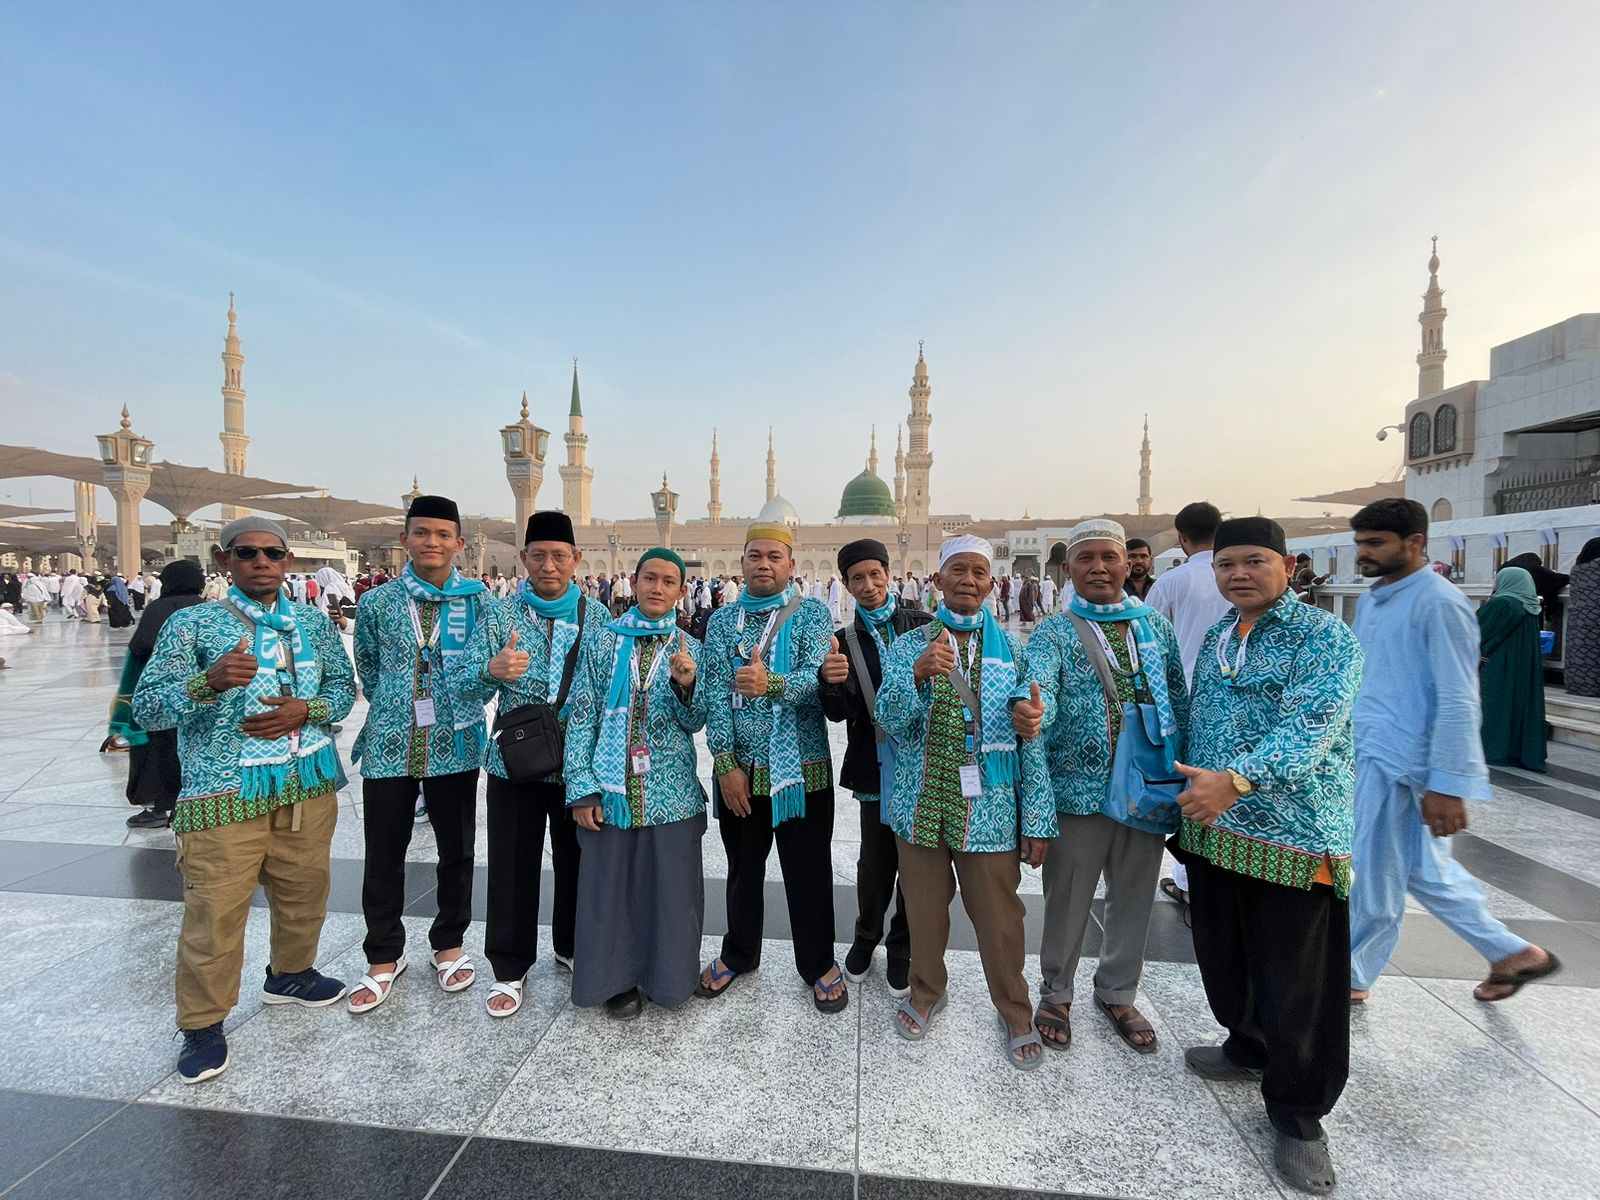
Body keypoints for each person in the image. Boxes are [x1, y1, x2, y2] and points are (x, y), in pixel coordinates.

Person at [1170, 517, 1361, 1196]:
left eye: (1253, 561)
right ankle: (1247, 1044)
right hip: (1215, 829)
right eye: (1226, 565)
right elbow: (1198, 718)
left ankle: (1300, 1116)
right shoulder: (1223, 634)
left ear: (1288, 564)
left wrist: (1238, 780)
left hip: (1293, 835)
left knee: (1298, 982)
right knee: (1226, 953)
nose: (1238, 575)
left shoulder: (1324, 638)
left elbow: (1309, 727)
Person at [132, 516, 355, 1085]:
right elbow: (148, 708)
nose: (261, 563)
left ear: (287, 562)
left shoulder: (311, 621)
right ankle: (203, 1023)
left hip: (305, 782)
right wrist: (207, 682)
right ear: (223, 559)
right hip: (224, 791)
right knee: (215, 911)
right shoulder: (193, 624)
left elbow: (341, 689)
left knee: (304, 890)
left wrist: (307, 710)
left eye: (273, 554)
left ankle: (291, 974)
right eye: (248, 552)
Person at [1346, 499, 1559, 1010]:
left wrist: (1447, 783)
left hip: (1407, 761)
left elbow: (1460, 696)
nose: (1364, 554)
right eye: (1360, 544)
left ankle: (1352, 973)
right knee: (1423, 870)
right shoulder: (1375, 600)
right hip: (1373, 747)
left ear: (1416, 542)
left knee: (1373, 869)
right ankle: (1512, 953)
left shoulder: (1440, 603)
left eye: (1376, 543)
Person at [876, 534, 1055, 1068]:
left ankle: (1015, 1009)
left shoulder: (1014, 651)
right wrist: (916, 674)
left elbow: (1032, 737)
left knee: (999, 917)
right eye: (959, 570)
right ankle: (926, 991)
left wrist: (1037, 816)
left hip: (990, 810)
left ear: (991, 582)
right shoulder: (909, 646)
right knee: (924, 911)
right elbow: (888, 719)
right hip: (921, 803)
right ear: (938, 580)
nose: (969, 581)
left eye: (979, 572)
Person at [1024, 520, 1188, 1055]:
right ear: (1068, 569)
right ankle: (1056, 993)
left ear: (1128, 564)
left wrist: (1186, 776)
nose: (1098, 568)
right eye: (1086, 558)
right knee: (1069, 897)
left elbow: (1179, 699)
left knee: (1135, 895)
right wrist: (1035, 713)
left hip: (1147, 787)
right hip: (1080, 792)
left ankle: (1118, 991)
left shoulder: (1154, 628)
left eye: (1108, 557)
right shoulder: (1055, 632)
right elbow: (1041, 689)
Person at [450, 510, 609, 1018]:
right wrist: (491, 669)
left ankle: (572, 945)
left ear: (576, 559)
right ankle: (509, 965)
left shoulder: (597, 617)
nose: (548, 566)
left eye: (559, 556)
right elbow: (462, 683)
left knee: (578, 861)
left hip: (576, 764)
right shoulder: (500, 615)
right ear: (523, 559)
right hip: (513, 763)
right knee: (513, 864)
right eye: (538, 556)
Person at [347, 496, 490, 1014]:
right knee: (384, 852)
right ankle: (383, 953)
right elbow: (368, 666)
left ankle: (448, 943)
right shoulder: (378, 603)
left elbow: (487, 668)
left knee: (457, 849)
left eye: (443, 534)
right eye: (422, 532)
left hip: (456, 741)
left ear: (458, 543)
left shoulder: (477, 602)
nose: (432, 542)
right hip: (390, 742)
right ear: (405, 538)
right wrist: (396, 701)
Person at [696, 523, 845, 1013]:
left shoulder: (812, 614)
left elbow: (815, 679)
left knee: (808, 871)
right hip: (740, 773)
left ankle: (818, 962)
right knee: (742, 869)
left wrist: (771, 684)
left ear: (791, 565)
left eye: (774, 557)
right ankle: (739, 953)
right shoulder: (723, 622)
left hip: (801, 771)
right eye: (755, 556)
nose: (764, 564)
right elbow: (715, 693)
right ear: (742, 563)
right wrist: (725, 763)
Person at [564, 548, 706, 1019]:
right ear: (635, 581)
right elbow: (582, 715)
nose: (657, 588)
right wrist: (582, 788)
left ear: (681, 592)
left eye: (668, 582)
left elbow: (696, 721)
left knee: (671, 892)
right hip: (611, 787)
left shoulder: (689, 648)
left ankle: (669, 978)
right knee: (612, 890)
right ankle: (616, 980)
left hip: (672, 791)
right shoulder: (603, 641)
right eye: (650, 578)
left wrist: (686, 686)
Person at [818, 538, 933, 998]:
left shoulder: (922, 626)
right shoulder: (845, 640)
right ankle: (867, 936)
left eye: (874, 574)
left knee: (916, 863)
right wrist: (829, 682)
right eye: (857, 579)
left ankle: (902, 946)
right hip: (875, 765)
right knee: (876, 862)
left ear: (888, 574)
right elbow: (837, 713)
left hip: (923, 765)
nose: (868, 585)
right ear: (846, 585)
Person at [1147, 501, 1230, 916]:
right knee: (1226, 784)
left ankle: (1187, 880)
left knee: (1189, 785)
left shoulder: (1172, 581)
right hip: (1231, 699)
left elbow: (1145, 639)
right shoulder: (1233, 577)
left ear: (1181, 537)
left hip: (1183, 698)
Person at [113, 559, 207, 829]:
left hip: (163, 694)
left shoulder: (159, 608)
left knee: (157, 751)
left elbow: (140, 646)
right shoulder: (207, 608)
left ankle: (159, 808)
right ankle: (192, 804)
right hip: (200, 692)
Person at [1477, 566, 1548, 771]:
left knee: (1496, 706)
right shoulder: (1531, 607)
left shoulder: (1502, 603)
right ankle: (1516, 751)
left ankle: (1494, 750)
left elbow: (1474, 630)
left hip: (1498, 665)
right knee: (1518, 706)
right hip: (1523, 667)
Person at [1563, 538, 1600, 697]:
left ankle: (1578, 684)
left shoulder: (1577, 569)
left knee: (1580, 652)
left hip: (1578, 619)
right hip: (1596, 619)